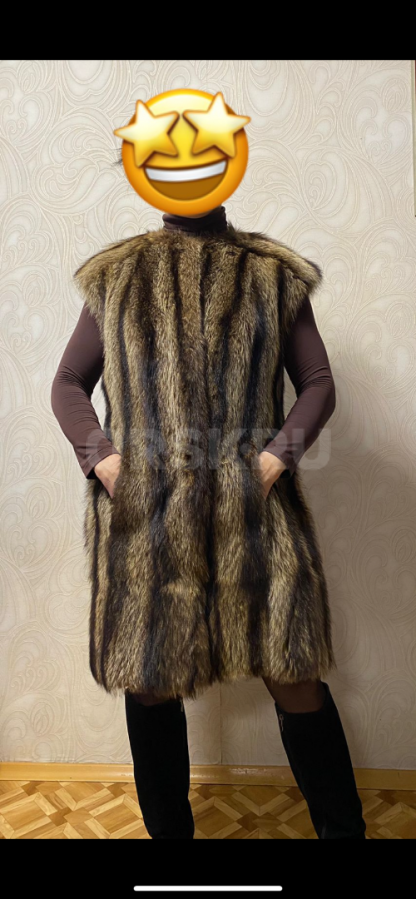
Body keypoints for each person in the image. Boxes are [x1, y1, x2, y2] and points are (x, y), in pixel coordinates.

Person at [51, 204, 366, 840]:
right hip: (148, 522)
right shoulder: (116, 277)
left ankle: (344, 834)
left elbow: (318, 384)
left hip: (258, 517)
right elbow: (67, 383)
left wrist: (271, 464)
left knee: (295, 676)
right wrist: (107, 464)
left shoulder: (272, 276)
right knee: (151, 682)